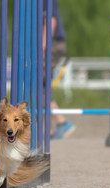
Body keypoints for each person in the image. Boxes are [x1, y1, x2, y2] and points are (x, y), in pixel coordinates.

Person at [43, 0, 75, 140]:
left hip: (52, 44)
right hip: (53, 43)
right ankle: (50, 128)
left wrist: (43, 46)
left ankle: (61, 122)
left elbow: (51, 20)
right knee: (42, 85)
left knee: (40, 84)